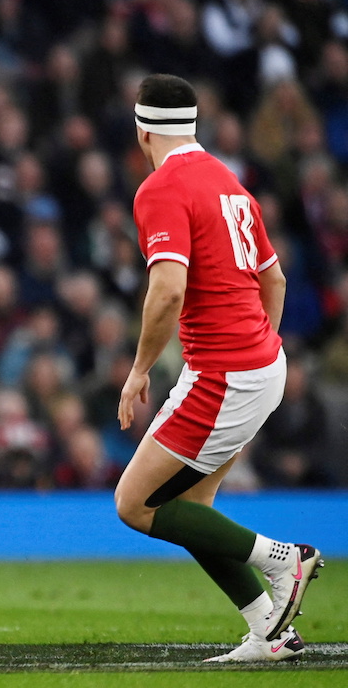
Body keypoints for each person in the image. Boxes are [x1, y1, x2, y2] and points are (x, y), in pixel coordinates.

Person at [115, 74, 322, 663]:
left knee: (134, 503)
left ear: (143, 130)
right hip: (258, 363)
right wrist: (263, 351)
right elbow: (273, 278)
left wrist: (138, 371)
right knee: (190, 512)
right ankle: (271, 632)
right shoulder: (230, 183)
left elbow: (167, 292)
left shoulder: (160, 187)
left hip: (223, 372)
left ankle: (287, 561)